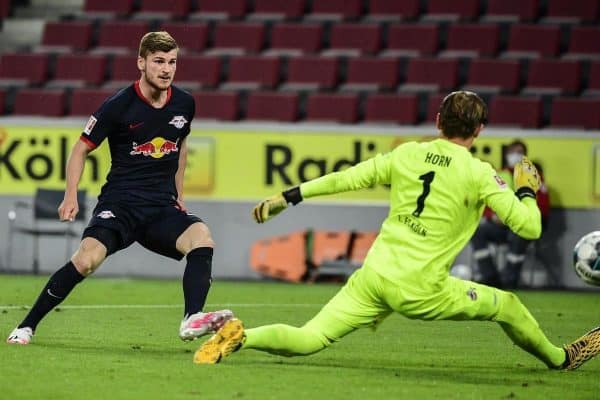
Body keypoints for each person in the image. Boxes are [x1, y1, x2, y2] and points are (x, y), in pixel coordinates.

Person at [193, 91, 599, 370]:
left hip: (374, 275)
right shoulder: (479, 174)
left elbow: (347, 178)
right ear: (478, 132)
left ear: (438, 121)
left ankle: (244, 336)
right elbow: (529, 228)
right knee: (507, 306)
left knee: (310, 336)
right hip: (422, 289)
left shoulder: (408, 154)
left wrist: (288, 196)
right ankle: (562, 358)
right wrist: (525, 189)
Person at [6, 31, 233, 345]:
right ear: (141, 63)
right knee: (86, 260)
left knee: (202, 239)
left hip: (160, 208)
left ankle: (191, 319)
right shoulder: (118, 105)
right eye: (158, 62)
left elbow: (181, 147)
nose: (166, 69)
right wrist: (70, 195)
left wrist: (179, 194)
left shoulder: (185, 103)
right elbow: (80, 149)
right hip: (121, 204)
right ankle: (27, 325)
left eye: (172, 62)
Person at [471, 139, 551, 288]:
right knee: (477, 231)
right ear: (507, 155)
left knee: (518, 236)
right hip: (500, 226)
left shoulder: (534, 175)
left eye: (519, 152)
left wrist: (525, 218)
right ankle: (490, 277)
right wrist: (492, 217)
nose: (515, 155)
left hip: (521, 225)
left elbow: (543, 205)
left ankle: (509, 280)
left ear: (525, 156)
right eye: (512, 152)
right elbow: (486, 202)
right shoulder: (499, 174)